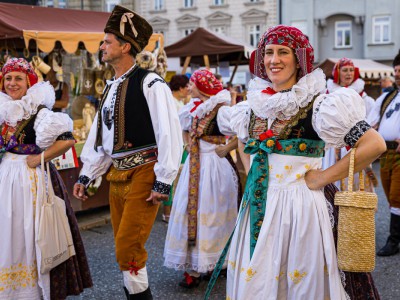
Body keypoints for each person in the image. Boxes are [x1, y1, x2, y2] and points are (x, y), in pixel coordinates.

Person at [210, 25, 385, 299]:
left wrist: (323, 177)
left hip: (301, 209)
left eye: (283, 52)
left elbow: (374, 144)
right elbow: (244, 139)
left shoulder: (318, 104)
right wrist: (251, 169)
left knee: (298, 280)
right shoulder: (255, 104)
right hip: (259, 204)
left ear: (299, 58)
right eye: (268, 52)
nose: (273, 60)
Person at [72, 5, 182, 300]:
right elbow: (100, 137)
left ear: (125, 46)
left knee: (128, 247)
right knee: (124, 248)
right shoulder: (110, 88)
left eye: (107, 41)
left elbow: (169, 133)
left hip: (146, 171)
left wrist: (163, 180)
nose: (102, 46)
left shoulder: (150, 83)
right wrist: (87, 175)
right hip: (117, 174)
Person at [0, 57, 92, 299]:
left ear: (29, 81)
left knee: (28, 231)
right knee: (6, 231)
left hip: (29, 180)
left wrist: (39, 158)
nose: (12, 83)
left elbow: (67, 139)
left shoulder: (38, 111)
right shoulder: (3, 108)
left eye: (18, 78)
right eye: (7, 78)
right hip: (5, 177)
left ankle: (28, 290)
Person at [163, 69, 240, 288]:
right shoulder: (192, 108)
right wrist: (188, 141)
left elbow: (244, 134)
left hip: (215, 166)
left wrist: (225, 149)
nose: (189, 87)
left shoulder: (221, 110)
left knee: (213, 214)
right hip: (195, 165)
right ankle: (195, 266)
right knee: (190, 211)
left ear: (202, 86)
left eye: (193, 84)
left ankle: (215, 260)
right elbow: (185, 129)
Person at [323, 58, 377, 191]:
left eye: (351, 70)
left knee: (357, 183)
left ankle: (356, 209)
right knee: (334, 180)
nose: (349, 73)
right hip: (333, 145)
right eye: (345, 70)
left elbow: (372, 121)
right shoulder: (327, 95)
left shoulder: (364, 98)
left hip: (357, 144)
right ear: (337, 73)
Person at [368, 50, 400, 257]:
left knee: (397, 197)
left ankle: (394, 240)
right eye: (396, 70)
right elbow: (369, 122)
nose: (397, 73)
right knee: (390, 196)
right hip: (386, 153)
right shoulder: (387, 97)